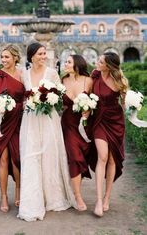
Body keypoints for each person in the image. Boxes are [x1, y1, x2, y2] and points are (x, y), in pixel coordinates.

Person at [18, 42, 76, 222]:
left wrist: (48, 101)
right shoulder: (24, 74)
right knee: (31, 156)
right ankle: (33, 201)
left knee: (49, 156)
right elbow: (22, 97)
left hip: (49, 119)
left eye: (44, 53)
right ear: (32, 55)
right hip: (30, 120)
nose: (43, 56)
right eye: (40, 54)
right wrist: (29, 102)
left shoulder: (52, 73)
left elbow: (60, 96)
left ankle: (52, 197)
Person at [89, 52, 128, 217]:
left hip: (116, 121)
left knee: (112, 159)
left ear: (109, 65)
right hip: (98, 120)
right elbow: (87, 95)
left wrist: (132, 107)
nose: (97, 63)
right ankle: (98, 200)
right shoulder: (95, 76)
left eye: (101, 61)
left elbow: (125, 103)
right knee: (102, 156)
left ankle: (106, 197)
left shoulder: (119, 80)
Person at [0, 44, 24, 213]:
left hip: (18, 121)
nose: (3, 60)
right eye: (2, 57)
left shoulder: (22, 74)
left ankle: (19, 192)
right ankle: (4, 196)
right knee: (3, 159)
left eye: (6, 57)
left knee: (16, 159)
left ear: (15, 58)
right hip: (1, 123)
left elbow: (27, 98)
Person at [61, 55, 93, 211]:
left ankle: (74, 192)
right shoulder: (62, 81)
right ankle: (78, 198)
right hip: (68, 124)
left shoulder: (88, 81)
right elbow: (60, 105)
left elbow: (94, 101)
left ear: (77, 65)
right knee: (74, 157)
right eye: (66, 62)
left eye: (68, 62)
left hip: (84, 125)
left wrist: (89, 110)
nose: (65, 64)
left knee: (82, 158)